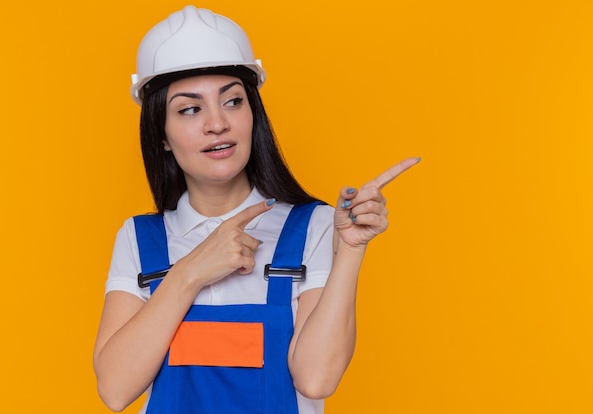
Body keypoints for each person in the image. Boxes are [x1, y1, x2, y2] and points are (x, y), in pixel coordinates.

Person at [93, 5, 419, 414]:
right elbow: (115, 389)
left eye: (232, 101)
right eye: (190, 109)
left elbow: (316, 379)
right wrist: (192, 271)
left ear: (253, 115)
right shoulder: (140, 239)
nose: (217, 123)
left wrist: (351, 250)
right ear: (160, 135)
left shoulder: (311, 226)